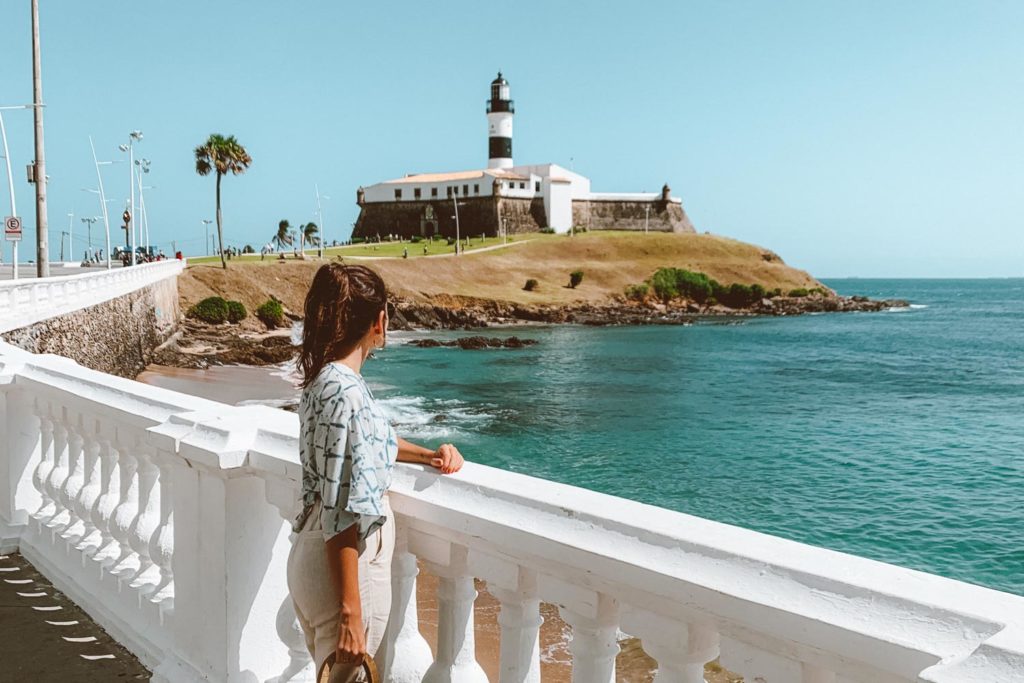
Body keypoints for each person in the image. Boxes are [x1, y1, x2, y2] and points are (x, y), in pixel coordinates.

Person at [289, 263, 465, 679]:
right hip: (347, 572)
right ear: (378, 320)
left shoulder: (325, 382)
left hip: (314, 557)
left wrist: (429, 455)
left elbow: (370, 442)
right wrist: (351, 610)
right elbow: (341, 506)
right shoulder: (345, 390)